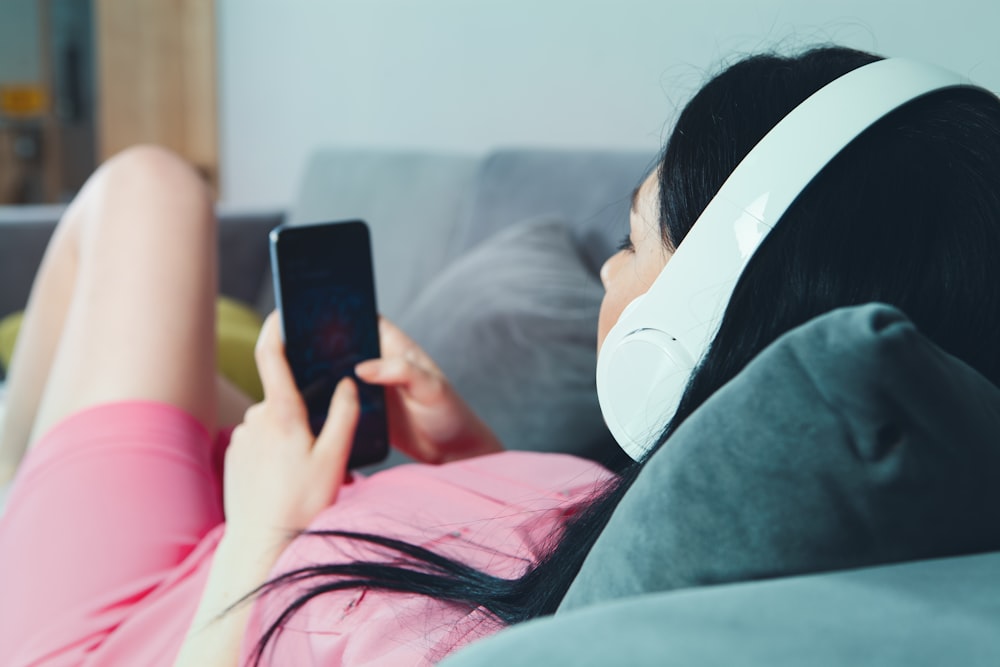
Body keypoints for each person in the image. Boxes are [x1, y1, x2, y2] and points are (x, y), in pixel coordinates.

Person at [2, 44, 1000, 666]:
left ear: (687, 330)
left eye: (631, 243)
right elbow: (535, 566)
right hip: (263, 531)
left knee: (145, 190)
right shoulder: (687, 509)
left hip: (147, 617)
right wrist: (472, 453)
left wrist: (264, 526)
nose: (606, 277)